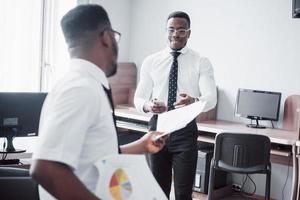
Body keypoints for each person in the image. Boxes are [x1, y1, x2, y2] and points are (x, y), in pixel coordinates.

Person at [30, 4, 165, 200]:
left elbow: (94, 156)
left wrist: (142, 145)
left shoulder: (86, 85)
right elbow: (45, 167)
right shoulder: (80, 88)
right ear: (107, 37)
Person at [134, 11, 217, 200]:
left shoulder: (201, 62)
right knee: (157, 192)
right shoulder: (151, 61)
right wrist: (148, 106)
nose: (175, 35)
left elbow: (211, 98)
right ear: (165, 31)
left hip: (185, 130)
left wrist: (193, 101)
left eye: (181, 30)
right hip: (157, 129)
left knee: (183, 193)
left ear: (189, 33)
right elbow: (138, 99)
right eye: (171, 30)